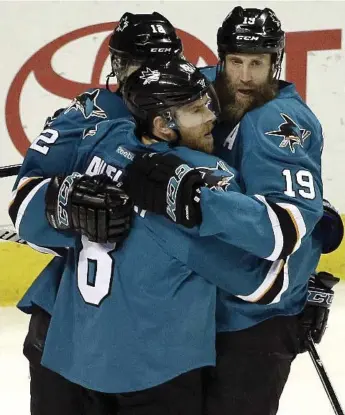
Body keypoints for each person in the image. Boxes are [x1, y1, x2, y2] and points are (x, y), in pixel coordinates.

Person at [118, 7, 340, 415]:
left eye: (257, 63)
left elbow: (286, 228)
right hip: (199, 309)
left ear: (277, 62)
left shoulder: (280, 122)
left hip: (258, 321)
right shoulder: (199, 88)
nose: (244, 77)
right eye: (236, 61)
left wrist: (198, 200)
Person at [12, 11, 183, 415]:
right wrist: (65, 204)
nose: (143, 76)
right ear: (118, 65)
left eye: (157, 65)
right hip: (69, 324)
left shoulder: (196, 110)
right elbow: (23, 205)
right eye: (133, 64)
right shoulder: (87, 115)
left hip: (151, 337)